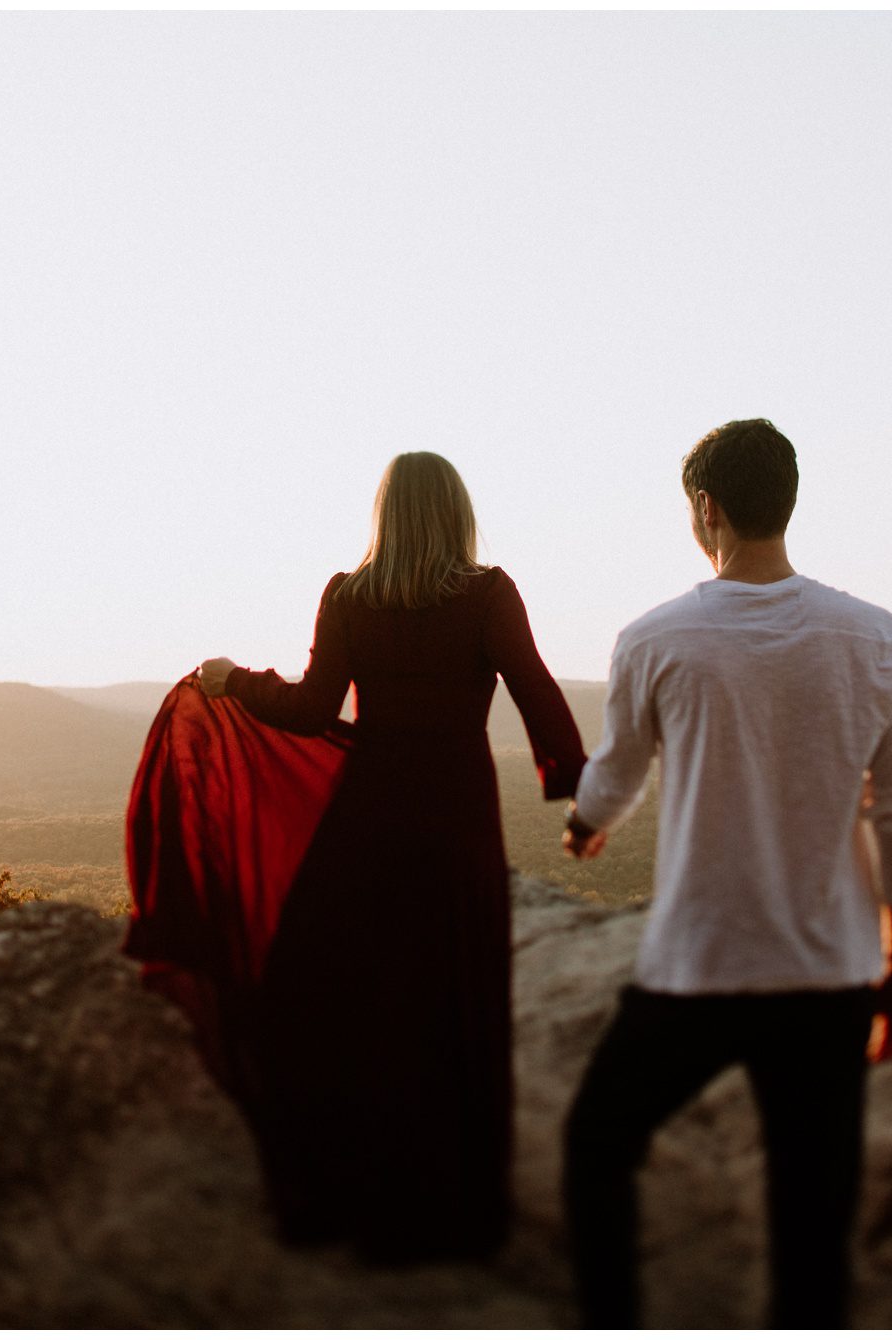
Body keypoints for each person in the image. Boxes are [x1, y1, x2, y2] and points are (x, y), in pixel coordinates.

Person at [559, 418, 892, 1328]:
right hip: (828, 974)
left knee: (597, 1146)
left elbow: (619, 767)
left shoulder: (656, 638)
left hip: (699, 967)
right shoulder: (874, 637)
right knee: (813, 1218)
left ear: (704, 509)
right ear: (786, 504)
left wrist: (584, 824)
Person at [191, 451, 587, 1263]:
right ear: (457, 513)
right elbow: (538, 692)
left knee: (358, 1004)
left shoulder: (347, 596)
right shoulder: (488, 594)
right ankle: (455, 1210)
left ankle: (352, 1195)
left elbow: (308, 712)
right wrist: (578, 793)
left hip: (366, 821)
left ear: (384, 514)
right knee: (450, 1001)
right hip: (456, 822)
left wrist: (235, 681)